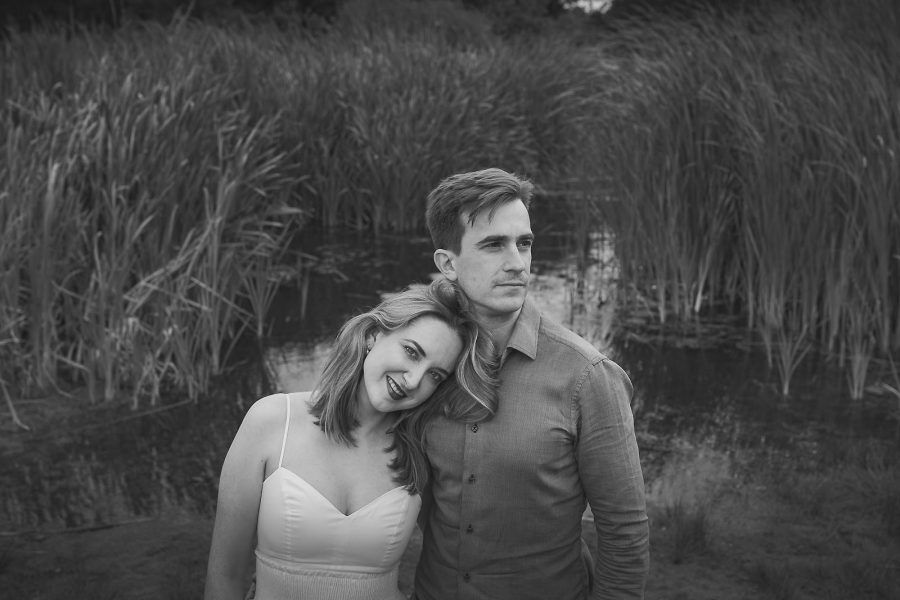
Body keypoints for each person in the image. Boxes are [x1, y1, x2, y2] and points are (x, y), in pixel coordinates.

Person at [415, 168, 650, 599]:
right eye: (493, 245)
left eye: (524, 243)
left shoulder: (588, 376)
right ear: (447, 263)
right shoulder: (421, 357)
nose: (518, 263)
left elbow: (624, 533)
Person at [204, 278, 499, 600]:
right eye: (412, 352)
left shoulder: (424, 451)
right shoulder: (273, 421)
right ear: (374, 335)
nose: (414, 381)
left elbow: (463, 557)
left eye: (434, 375)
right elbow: (225, 576)